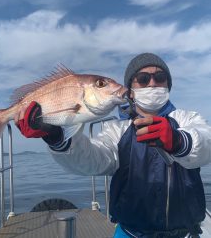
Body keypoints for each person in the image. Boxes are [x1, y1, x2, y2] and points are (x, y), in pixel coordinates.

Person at [15, 53, 211, 238]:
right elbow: (93, 161)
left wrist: (178, 140)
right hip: (129, 233)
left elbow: (206, 143)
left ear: (168, 85)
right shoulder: (117, 129)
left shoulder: (187, 119)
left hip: (186, 233)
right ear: (131, 90)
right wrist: (57, 138)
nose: (152, 83)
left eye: (160, 77)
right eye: (143, 79)